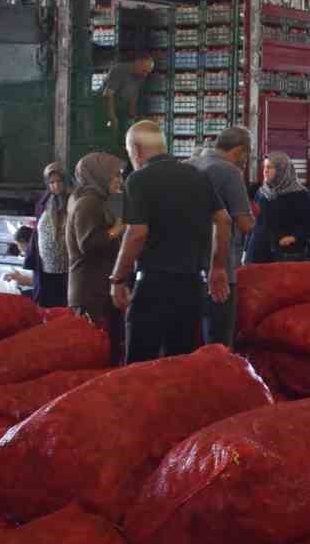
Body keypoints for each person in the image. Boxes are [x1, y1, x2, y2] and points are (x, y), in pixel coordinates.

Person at [109, 121, 230, 364]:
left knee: (140, 367)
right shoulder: (197, 176)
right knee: (180, 366)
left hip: (153, 287)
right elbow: (224, 221)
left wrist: (118, 278)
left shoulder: (138, 180)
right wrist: (217, 267)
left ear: (135, 148)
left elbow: (137, 233)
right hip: (192, 285)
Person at [188, 128, 257, 348]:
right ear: (240, 151)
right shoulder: (229, 172)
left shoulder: (189, 164)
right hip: (218, 267)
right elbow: (245, 224)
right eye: (248, 155)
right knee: (219, 342)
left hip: (185, 266)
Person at [66, 151, 127, 364]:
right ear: (99, 176)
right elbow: (89, 244)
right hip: (90, 293)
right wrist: (117, 230)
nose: (119, 180)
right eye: (114, 176)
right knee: (95, 354)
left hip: (98, 290)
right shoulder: (88, 203)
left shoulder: (97, 200)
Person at [248, 151, 310, 264]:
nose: (265, 171)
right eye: (264, 167)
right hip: (258, 251)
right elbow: (255, 222)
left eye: (270, 167)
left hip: (286, 254)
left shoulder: (300, 194)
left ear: (282, 169)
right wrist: (246, 249)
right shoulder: (262, 192)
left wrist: (294, 237)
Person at [25, 162, 70, 308]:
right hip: (45, 266)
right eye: (51, 182)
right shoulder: (43, 202)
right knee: (45, 304)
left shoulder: (73, 201)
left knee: (63, 303)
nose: (55, 186)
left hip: (65, 266)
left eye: (59, 181)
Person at [102, 54, 155, 147]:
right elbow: (108, 95)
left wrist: (132, 113)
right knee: (113, 135)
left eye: (147, 72)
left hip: (123, 107)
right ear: (137, 63)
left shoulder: (140, 76)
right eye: (144, 71)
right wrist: (112, 117)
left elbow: (134, 93)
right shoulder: (119, 70)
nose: (145, 74)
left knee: (130, 133)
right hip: (108, 106)